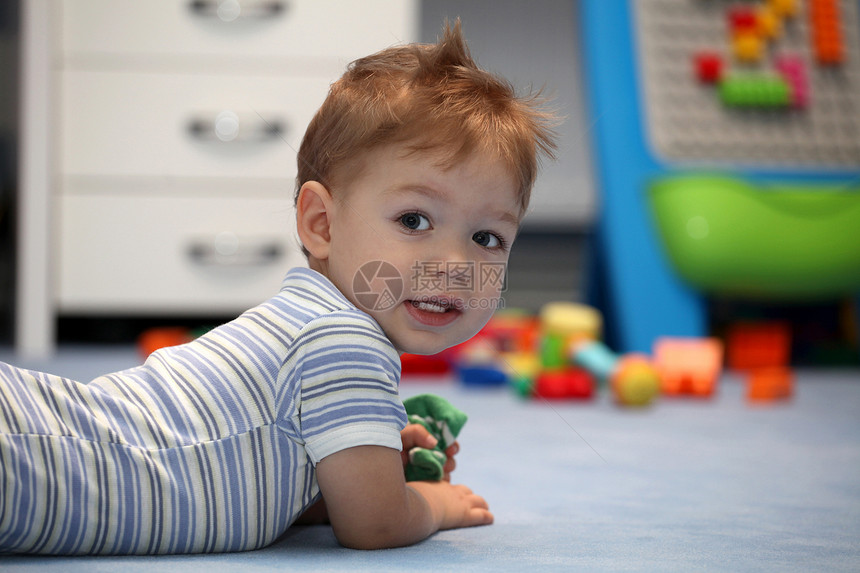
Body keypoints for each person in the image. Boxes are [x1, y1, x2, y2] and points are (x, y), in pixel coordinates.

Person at [0, 20, 557, 554]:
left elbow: (245, 468)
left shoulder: (304, 323)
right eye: (414, 220)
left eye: (488, 237)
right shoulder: (345, 341)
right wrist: (432, 504)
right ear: (322, 225)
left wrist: (334, 473)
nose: (456, 264)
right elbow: (376, 524)